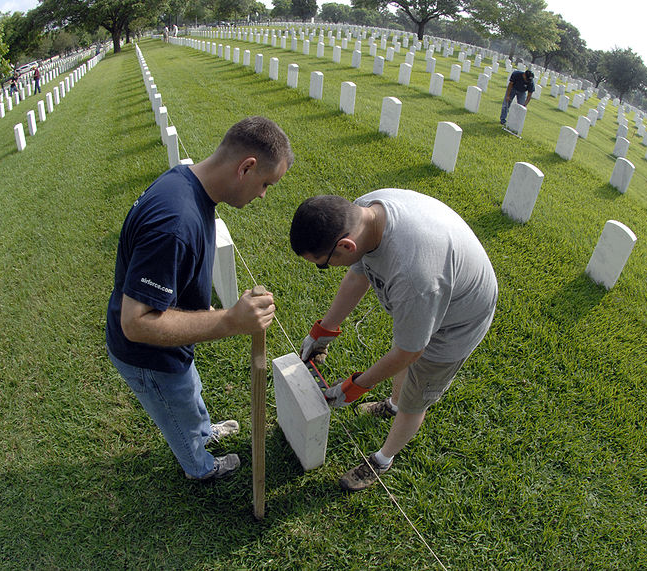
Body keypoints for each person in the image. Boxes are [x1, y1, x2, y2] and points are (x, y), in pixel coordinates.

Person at [106, 116, 294, 481]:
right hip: (149, 358)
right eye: (265, 184)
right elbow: (135, 323)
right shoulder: (175, 222)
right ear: (247, 167)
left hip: (173, 353)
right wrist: (229, 321)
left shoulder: (190, 184)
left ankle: (204, 430)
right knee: (175, 404)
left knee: (189, 389)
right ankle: (200, 466)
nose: (262, 195)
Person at [290, 190, 498, 491]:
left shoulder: (414, 279)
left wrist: (355, 386)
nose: (326, 269)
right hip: (434, 291)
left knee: (417, 393)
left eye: (323, 264)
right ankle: (392, 405)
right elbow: (357, 276)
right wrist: (322, 331)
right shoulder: (362, 212)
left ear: (346, 245)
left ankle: (383, 459)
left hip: (458, 319)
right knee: (406, 358)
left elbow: (409, 353)